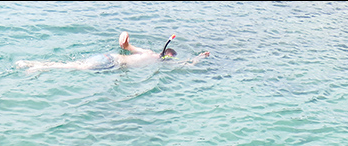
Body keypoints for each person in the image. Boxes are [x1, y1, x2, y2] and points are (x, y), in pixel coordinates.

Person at [14, 31, 208, 73]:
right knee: (73, 66)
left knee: (75, 63)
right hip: (111, 63)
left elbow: (126, 46)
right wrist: (200, 57)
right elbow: (188, 64)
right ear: (168, 58)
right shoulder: (157, 62)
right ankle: (36, 68)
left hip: (109, 56)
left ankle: (32, 63)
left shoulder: (148, 52)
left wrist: (124, 37)